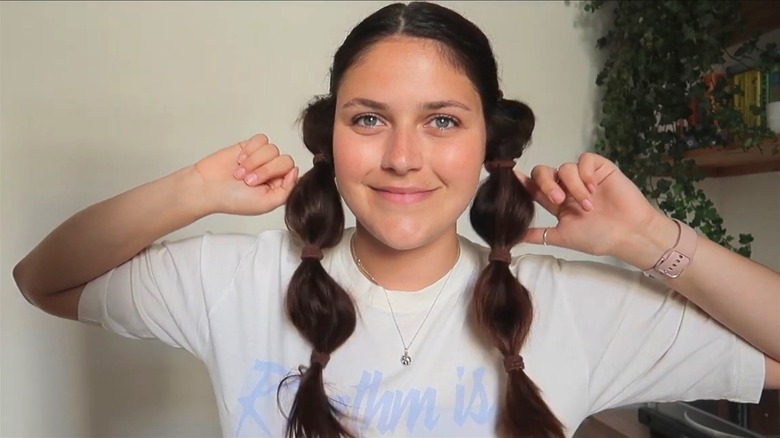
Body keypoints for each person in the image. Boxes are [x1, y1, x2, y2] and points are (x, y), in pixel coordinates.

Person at [12, 2, 779, 437]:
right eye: (370, 119)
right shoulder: (234, 278)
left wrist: (652, 243)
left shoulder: (573, 303)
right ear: (330, 140)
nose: (404, 158)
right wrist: (194, 189)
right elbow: (41, 279)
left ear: (491, 143)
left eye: (443, 121)